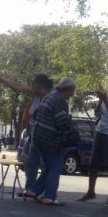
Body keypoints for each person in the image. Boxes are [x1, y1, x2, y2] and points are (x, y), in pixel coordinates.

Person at [0, 73, 53, 196]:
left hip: (45, 134)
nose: (32, 86)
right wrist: (2, 79)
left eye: (34, 84)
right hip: (33, 133)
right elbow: (19, 87)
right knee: (31, 163)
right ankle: (30, 190)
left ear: (40, 84)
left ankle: (42, 191)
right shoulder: (37, 95)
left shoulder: (52, 97)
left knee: (45, 164)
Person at [27, 77, 77, 205]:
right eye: (73, 91)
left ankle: (34, 190)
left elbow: (35, 114)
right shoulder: (60, 101)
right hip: (50, 140)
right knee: (56, 167)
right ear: (69, 90)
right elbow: (63, 123)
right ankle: (49, 196)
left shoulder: (49, 96)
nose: (73, 94)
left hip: (38, 137)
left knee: (49, 167)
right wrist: (73, 132)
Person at [77, 89, 108, 203]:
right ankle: (90, 192)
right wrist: (101, 100)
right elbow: (97, 113)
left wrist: (104, 99)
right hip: (100, 132)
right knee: (93, 163)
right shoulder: (105, 98)